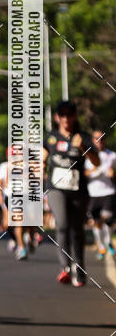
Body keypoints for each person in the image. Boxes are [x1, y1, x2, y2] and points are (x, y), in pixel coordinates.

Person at [43, 100, 99, 286]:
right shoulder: (51, 137)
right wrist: (39, 167)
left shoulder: (83, 136)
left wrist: (83, 147)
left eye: (70, 115)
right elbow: (42, 158)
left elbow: (97, 161)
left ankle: (80, 268)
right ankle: (65, 267)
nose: (66, 118)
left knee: (77, 229)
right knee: (62, 224)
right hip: (56, 189)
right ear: (57, 117)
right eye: (63, 115)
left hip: (78, 190)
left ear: (75, 116)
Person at [0, 147, 37, 260]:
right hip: (12, 196)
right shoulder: (4, 166)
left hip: (27, 196)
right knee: (17, 223)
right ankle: (21, 247)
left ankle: (31, 239)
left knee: (31, 222)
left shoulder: (27, 165)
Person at [85, 131, 116, 259]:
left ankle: (107, 241)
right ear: (93, 140)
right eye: (97, 139)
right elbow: (85, 173)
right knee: (96, 220)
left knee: (106, 216)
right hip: (93, 192)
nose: (100, 141)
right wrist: (96, 170)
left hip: (108, 191)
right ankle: (102, 244)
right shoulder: (88, 154)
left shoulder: (112, 155)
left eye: (102, 139)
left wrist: (112, 173)